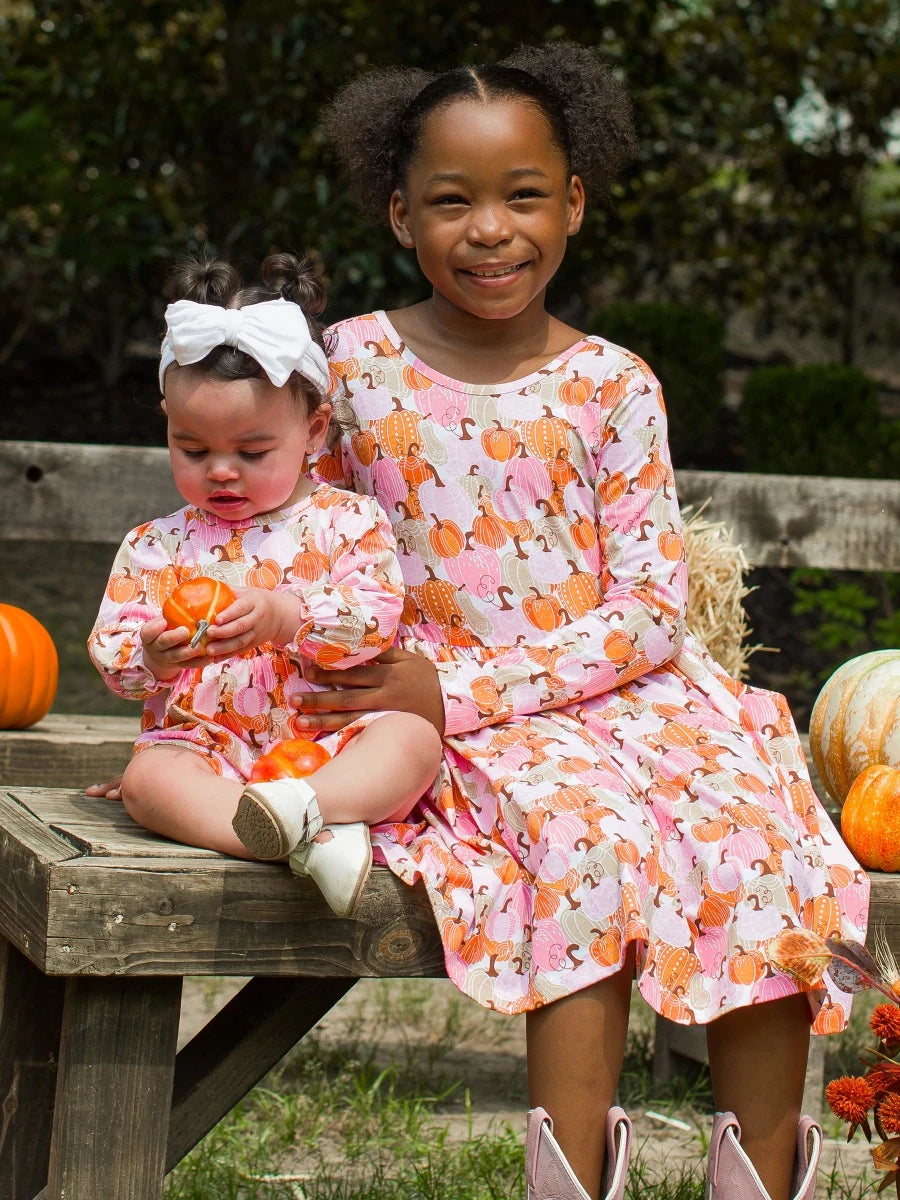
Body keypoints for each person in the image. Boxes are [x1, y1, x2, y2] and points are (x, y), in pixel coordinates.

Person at [89, 46, 869, 1200]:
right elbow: (263, 527)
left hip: (619, 691)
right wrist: (209, 719)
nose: (489, 228)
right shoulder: (347, 366)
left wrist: (466, 693)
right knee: (582, 836)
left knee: (757, 832)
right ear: (402, 213)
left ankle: (757, 1177)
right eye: (452, 200)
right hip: (426, 697)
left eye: (522, 195)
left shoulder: (614, 385)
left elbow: (652, 613)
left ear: (575, 203)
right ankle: (574, 1180)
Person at [88, 252, 442, 918]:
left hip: (330, 744)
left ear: (312, 430)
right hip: (210, 750)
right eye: (192, 449)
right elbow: (113, 653)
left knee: (414, 741)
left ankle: (309, 809)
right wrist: (152, 655)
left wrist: (288, 616)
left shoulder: (346, 521)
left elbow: (373, 623)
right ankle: (291, 836)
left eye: (252, 452)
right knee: (148, 780)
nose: (222, 471)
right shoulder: (156, 545)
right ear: (166, 421)